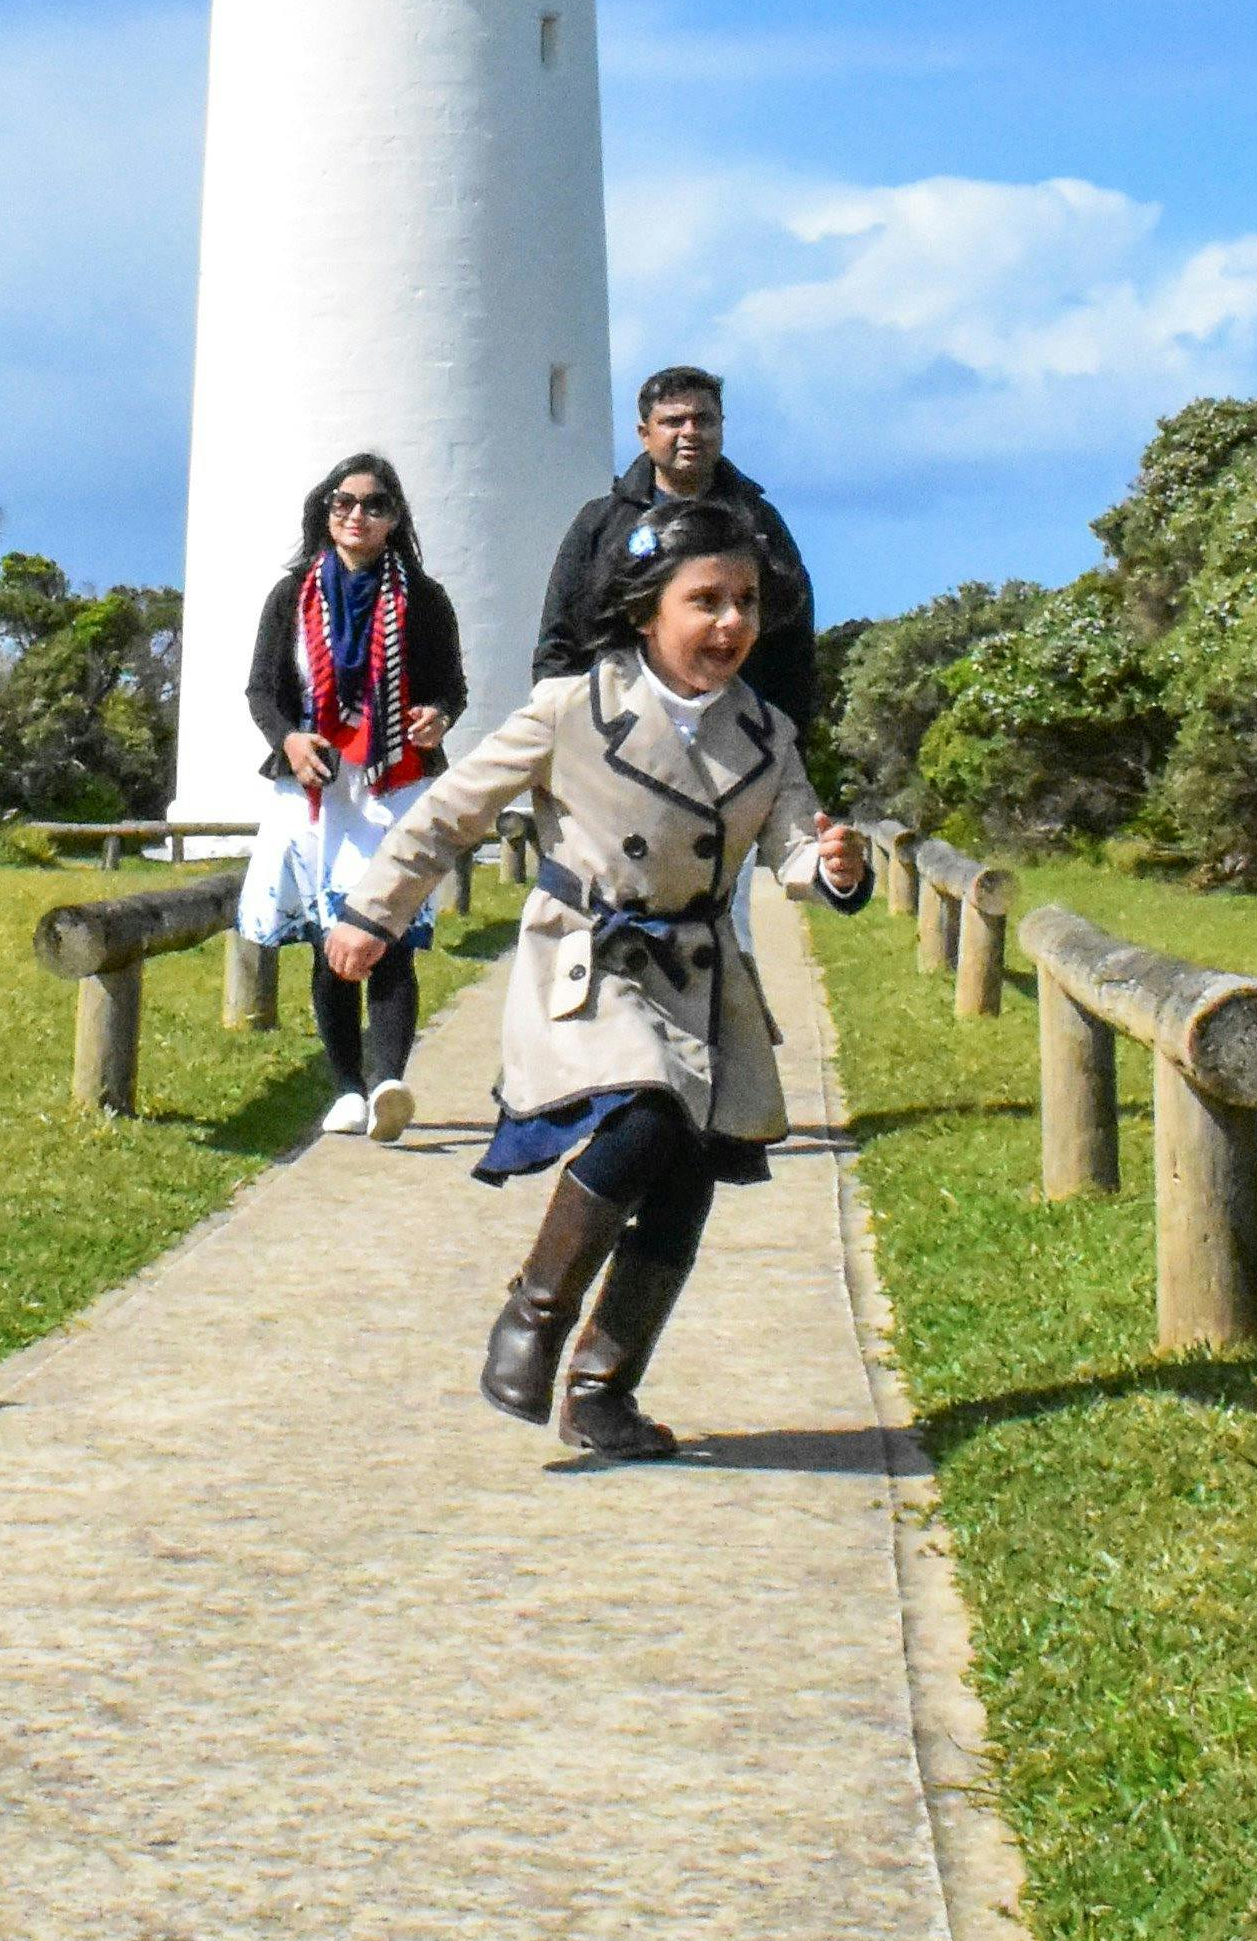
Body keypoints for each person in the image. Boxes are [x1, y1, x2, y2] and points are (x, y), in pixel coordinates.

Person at [327, 500, 867, 1459]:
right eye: (705, 600)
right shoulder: (571, 707)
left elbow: (790, 845)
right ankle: (533, 1314)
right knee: (647, 1113)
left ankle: (601, 1390)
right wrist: (376, 912)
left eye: (745, 600)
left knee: (688, 1178)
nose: (731, 622)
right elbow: (449, 814)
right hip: (588, 956)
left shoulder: (767, 732)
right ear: (648, 610)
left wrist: (831, 867)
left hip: (702, 974)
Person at [234, 451, 466, 1139]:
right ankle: (346, 1088)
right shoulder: (292, 595)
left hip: (393, 784)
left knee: (388, 934)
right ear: (324, 511)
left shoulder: (422, 598)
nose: (355, 515)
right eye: (342, 503)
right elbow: (262, 691)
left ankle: (389, 1077)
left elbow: (449, 688)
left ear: (394, 517)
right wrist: (290, 740)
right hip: (316, 788)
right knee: (327, 941)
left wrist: (437, 717)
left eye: (371, 504)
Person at [533, 366, 823, 740]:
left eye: (703, 420)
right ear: (645, 434)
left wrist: (785, 735)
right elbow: (560, 638)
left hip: (736, 736)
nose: (690, 432)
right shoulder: (602, 524)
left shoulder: (759, 522)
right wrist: (565, 730)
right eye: (673, 421)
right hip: (620, 734)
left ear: (721, 427)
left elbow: (792, 641)